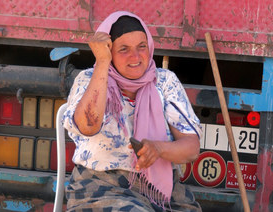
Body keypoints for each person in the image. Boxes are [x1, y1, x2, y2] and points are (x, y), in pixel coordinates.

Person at [63, 11, 202, 212]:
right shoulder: (89, 79)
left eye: (141, 47)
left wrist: (159, 149)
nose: (135, 56)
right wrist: (102, 62)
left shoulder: (164, 82)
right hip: (101, 188)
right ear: (109, 52)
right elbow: (88, 126)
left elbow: (191, 149)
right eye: (124, 49)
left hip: (162, 191)